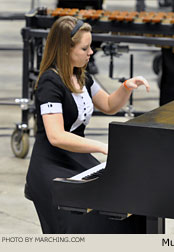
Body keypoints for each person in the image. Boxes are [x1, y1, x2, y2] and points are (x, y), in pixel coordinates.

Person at [25, 16, 150, 234]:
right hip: (51, 166)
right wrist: (102, 147)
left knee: (128, 203)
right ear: (65, 50)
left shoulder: (81, 76)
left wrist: (126, 87)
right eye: (85, 48)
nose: (91, 52)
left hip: (77, 160)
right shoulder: (49, 82)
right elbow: (56, 136)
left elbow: (109, 105)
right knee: (84, 224)